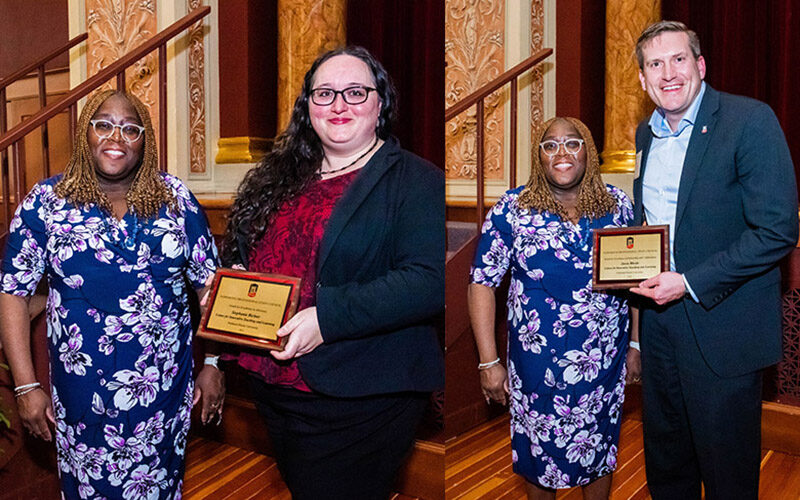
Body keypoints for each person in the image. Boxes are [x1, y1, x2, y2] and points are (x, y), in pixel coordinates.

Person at [219, 46, 444, 500]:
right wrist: (232, 282)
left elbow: (426, 282)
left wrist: (327, 319)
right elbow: (246, 251)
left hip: (361, 392)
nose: (339, 105)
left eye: (355, 92)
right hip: (273, 382)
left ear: (380, 103)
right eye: (325, 94)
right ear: (308, 108)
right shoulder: (277, 174)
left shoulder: (417, 180)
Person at [0, 89, 224, 499]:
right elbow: (13, 293)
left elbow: (211, 287)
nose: (115, 138)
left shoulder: (176, 201)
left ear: (145, 141)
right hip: (83, 396)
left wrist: (212, 361)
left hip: (162, 394)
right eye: (103, 125)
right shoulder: (46, 204)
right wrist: (26, 386)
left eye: (130, 128)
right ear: (85, 133)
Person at [629, 21, 798, 499]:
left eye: (678, 59)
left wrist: (689, 281)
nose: (668, 73)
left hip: (723, 327)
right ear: (642, 79)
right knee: (667, 467)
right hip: (661, 328)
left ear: (700, 65)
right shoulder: (646, 134)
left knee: (728, 476)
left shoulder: (749, 120)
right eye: (654, 64)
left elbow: (777, 230)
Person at [469, 116, 640, 499]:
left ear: (589, 152)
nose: (561, 152)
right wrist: (488, 361)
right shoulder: (513, 209)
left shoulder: (618, 206)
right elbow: (482, 282)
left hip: (603, 362)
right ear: (539, 157)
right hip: (536, 366)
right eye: (550, 145)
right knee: (536, 458)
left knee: (599, 450)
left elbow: (635, 282)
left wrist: (636, 345)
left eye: (572, 143)